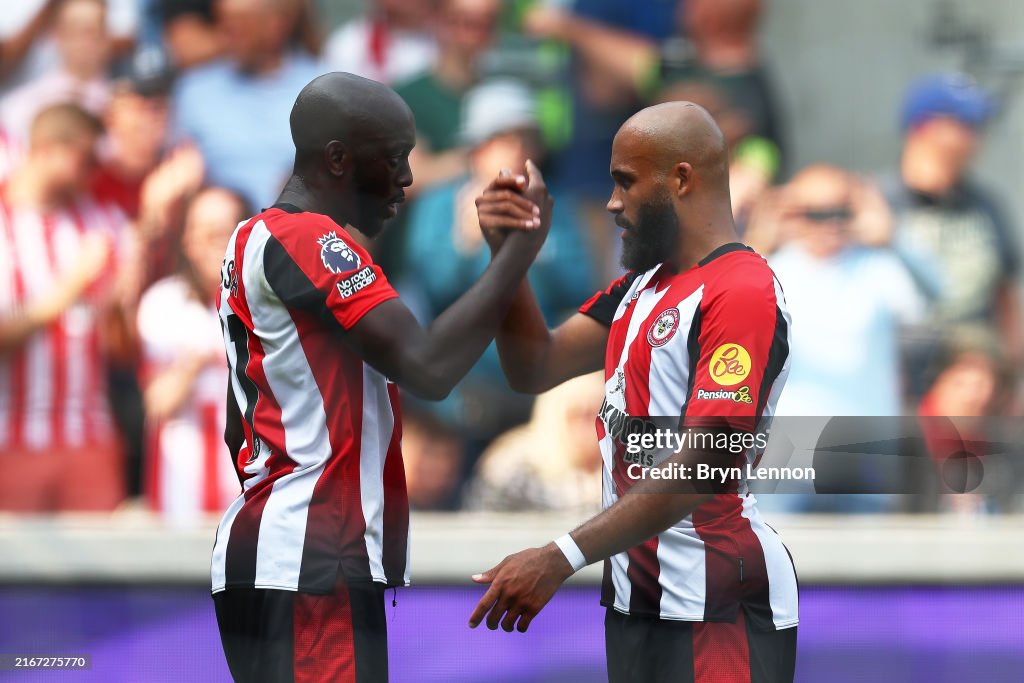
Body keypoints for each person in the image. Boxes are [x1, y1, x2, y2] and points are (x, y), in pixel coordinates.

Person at [211, 71, 548, 682]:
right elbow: (428, 367)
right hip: (313, 554)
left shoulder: (254, 237)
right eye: (393, 159)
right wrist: (515, 257)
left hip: (284, 549)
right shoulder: (307, 237)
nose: (407, 179)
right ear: (337, 159)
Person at [468, 101, 798, 682]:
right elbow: (534, 366)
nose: (612, 203)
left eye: (625, 182)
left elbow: (707, 462)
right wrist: (510, 254)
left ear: (681, 178)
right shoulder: (641, 286)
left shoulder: (741, 288)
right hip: (636, 598)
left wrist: (560, 555)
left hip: (714, 604)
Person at [0, 103, 134, 511]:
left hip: (90, 438)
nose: (95, 171)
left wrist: (116, 309)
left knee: (98, 572)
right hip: (12, 439)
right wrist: (72, 285)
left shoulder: (105, 222)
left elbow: (123, 351)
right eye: (87, 158)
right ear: (48, 149)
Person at [880, 73, 1021, 395]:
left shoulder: (987, 205)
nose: (977, 136)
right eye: (965, 124)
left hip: (973, 381)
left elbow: (1005, 296)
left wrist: (1013, 382)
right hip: (900, 375)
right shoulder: (879, 202)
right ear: (924, 128)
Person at [137, 187, 247, 526]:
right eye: (202, 232)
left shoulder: (272, 311)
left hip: (250, 507)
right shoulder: (164, 304)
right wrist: (195, 360)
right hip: (178, 502)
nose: (212, 243)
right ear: (186, 240)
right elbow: (158, 403)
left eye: (222, 232)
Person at [170, 0, 324, 210]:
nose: (226, 35)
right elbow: (176, 176)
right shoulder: (194, 92)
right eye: (223, 21)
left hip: (305, 232)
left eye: (240, 23)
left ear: (277, 25)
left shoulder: (324, 88)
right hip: (221, 234)